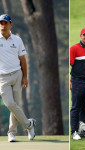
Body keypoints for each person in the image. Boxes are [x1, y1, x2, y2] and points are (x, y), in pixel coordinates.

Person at [0, 14, 35, 142]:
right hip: (2, 77)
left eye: (5, 23)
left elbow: (23, 60)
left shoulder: (17, 40)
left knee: (16, 105)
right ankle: (28, 125)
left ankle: (11, 133)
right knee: (10, 104)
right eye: (1, 23)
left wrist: (25, 77)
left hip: (17, 74)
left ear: (10, 25)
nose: (3, 26)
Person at [70, 28, 85, 140]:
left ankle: (80, 129)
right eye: (84, 35)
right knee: (75, 107)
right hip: (77, 81)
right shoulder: (74, 48)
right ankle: (73, 131)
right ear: (81, 36)